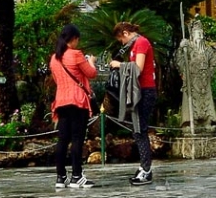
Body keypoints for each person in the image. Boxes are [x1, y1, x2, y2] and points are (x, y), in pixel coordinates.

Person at [48, 24, 97, 189]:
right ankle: (77, 176)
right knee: (77, 139)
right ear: (74, 39)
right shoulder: (76, 54)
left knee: (62, 140)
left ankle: (60, 177)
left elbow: (57, 80)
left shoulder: (54, 58)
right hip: (77, 101)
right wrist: (91, 61)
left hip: (61, 101)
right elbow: (91, 73)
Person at [109, 22, 157, 185]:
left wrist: (119, 65)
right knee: (137, 130)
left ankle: (146, 169)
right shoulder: (135, 44)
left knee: (140, 130)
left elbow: (138, 68)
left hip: (145, 91)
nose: (121, 43)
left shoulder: (141, 43)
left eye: (120, 39)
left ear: (125, 33)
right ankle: (144, 167)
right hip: (139, 91)